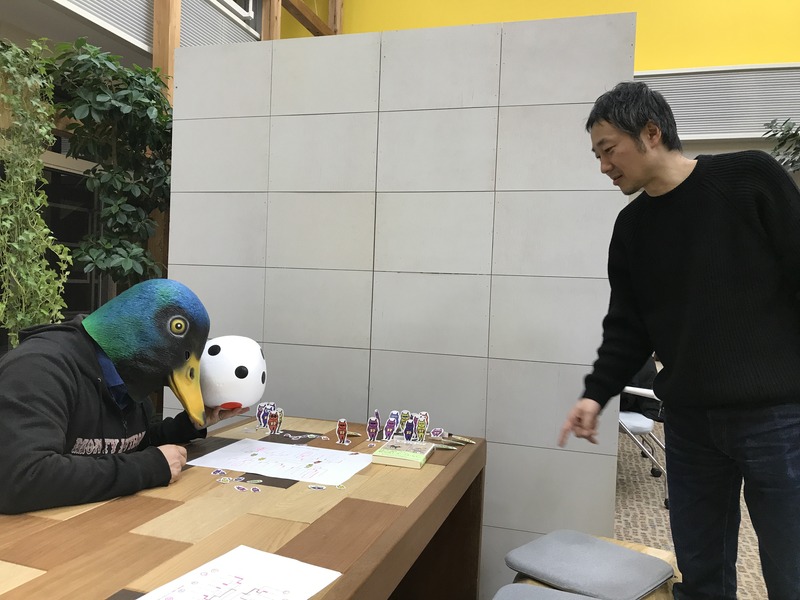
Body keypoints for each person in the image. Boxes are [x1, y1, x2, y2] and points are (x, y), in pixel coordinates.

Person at [558, 81, 800, 599]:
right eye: (597, 155)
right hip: (690, 423)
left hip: (776, 417)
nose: (603, 166)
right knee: (700, 569)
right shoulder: (632, 228)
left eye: (609, 150)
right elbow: (627, 328)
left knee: (792, 568)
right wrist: (594, 395)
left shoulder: (749, 178)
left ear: (651, 133)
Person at [0, 279, 247, 514]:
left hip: (96, 522)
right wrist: (149, 468)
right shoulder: (38, 369)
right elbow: (20, 478)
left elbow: (129, 443)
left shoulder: (127, 375)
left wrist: (189, 426)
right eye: (177, 327)